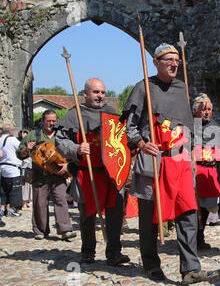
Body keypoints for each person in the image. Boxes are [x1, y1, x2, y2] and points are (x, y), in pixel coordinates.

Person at [121, 43, 218, 286]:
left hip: (180, 162)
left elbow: (187, 127)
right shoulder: (143, 88)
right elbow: (129, 128)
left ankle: (190, 270)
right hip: (152, 162)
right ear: (155, 62)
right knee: (149, 218)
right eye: (168, 60)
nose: (174, 64)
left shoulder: (182, 88)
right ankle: (151, 264)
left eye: (177, 60)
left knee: (187, 214)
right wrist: (142, 144)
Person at [55, 78, 129, 266]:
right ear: (85, 93)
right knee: (87, 215)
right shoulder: (74, 115)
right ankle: (88, 251)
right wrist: (77, 148)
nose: (100, 96)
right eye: (96, 92)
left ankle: (114, 252)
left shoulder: (111, 114)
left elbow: (122, 139)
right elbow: (60, 141)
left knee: (115, 214)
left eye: (102, 92)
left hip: (110, 173)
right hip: (86, 173)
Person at [18, 110, 76, 241]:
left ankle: (65, 230)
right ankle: (40, 230)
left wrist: (68, 166)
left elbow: (71, 151)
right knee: (39, 203)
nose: (51, 123)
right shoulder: (34, 135)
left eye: (54, 121)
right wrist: (27, 148)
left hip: (58, 176)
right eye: (49, 121)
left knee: (61, 201)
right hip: (40, 176)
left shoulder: (62, 135)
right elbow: (19, 153)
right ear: (43, 121)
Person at [192, 93, 220, 250]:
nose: (207, 112)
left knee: (205, 207)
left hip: (209, 171)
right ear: (195, 110)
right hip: (193, 170)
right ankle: (191, 237)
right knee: (191, 207)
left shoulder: (216, 127)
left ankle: (200, 235)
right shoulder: (190, 126)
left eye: (209, 109)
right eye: (203, 109)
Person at [0, 125, 23, 217]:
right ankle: (12, 209)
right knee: (15, 190)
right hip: (13, 168)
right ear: (11, 131)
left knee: (4, 190)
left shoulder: (0, 139)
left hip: (2, 167)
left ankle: (2, 208)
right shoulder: (13, 140)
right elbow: (21, 148)